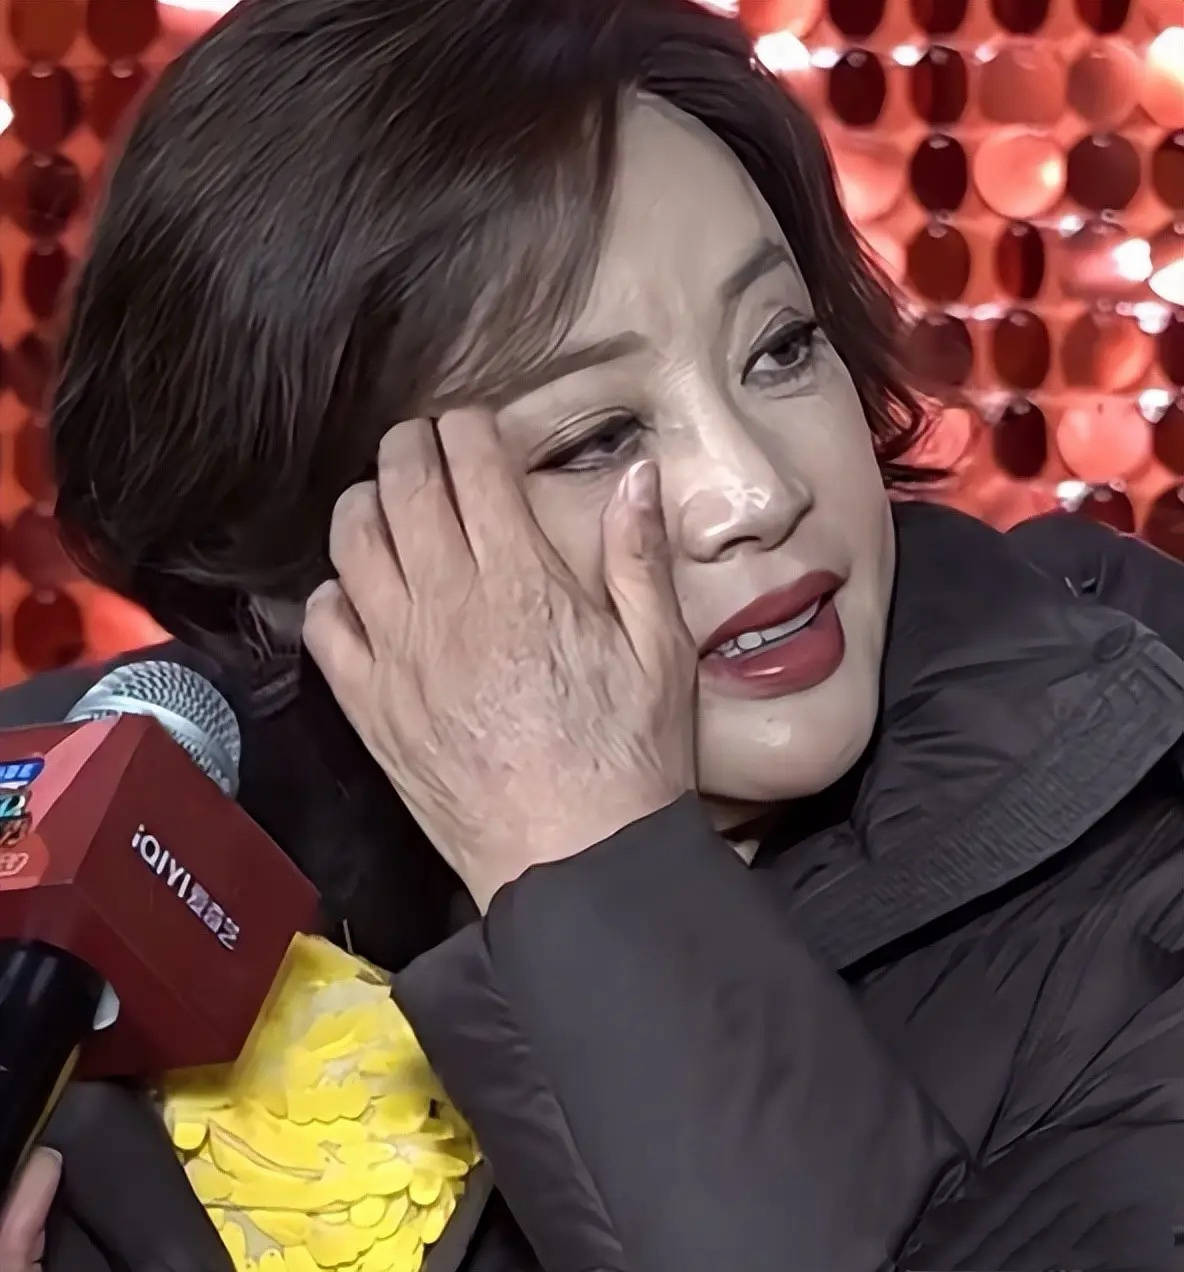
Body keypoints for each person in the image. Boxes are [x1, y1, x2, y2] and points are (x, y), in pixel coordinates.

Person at [2, 0, 1183, 1268]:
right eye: (595, 439)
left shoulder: (1141, 893)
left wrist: (582, 856)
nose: (753, 492)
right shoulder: (94, 831)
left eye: (781, 348)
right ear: (303, 572)